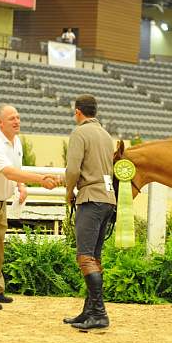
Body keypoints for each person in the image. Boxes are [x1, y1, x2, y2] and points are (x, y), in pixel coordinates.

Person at [0, 105, 61, 310]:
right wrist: (40, 179)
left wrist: (21, 186)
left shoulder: (15, 141)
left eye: (18, 117)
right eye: (11, 118)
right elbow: (8, 172)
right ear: (0, 122)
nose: (17, 121)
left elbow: (16, 171)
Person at [63, 94, 116, 331]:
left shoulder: (80, 133)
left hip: (90, 198)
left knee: (84, 257)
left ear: (78, 112)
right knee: (94, 258)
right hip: (108, 200)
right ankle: (89, 311)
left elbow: (73, 168)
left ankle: (100, 314)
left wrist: (69, 192)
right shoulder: (106, 135)